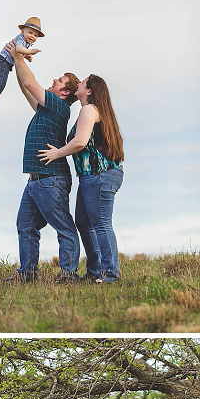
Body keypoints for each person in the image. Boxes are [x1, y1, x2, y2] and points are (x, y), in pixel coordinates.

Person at [39, 73, 125, 283]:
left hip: (100, 176)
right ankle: (95, 271)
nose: (80, 83)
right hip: (92, 177)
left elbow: (80, 142)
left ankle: (110, 273)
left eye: (84, 82)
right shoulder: (91, 111)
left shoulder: (89, 109)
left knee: (101, 223)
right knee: (84, 223)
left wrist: (57, 153)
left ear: (89, 91)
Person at [10, 48, 80, 282]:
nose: (54, 80)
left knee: (64, 227)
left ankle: (69, 274)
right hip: (36, 180)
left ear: (65, 92)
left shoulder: (60, 106)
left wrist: (18, 55)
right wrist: (15, 60)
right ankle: (27, 274)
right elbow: (25, 86)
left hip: (51, 178)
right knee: (26, 226)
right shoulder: (47, 108)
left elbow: (31, 83)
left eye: (60, 81)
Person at [0, 15, 43, 112]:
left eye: (35, 35)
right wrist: (29, 52)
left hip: (2, 61)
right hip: (2, 60)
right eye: (30, 33)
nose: (32, 36)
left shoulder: (25, 42)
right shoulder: (21, 39)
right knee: (1, 79)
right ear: (22, 31)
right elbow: (18, 49)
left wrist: (25, 55)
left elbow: (19, 51)